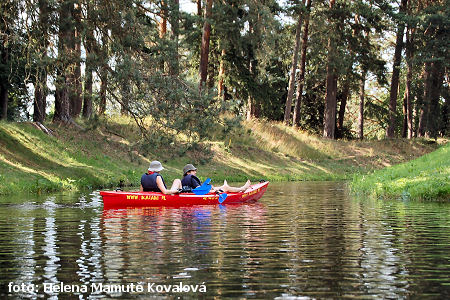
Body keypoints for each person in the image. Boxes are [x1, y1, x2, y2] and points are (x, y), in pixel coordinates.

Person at [181, 164, 251, 193]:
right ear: (188, 172)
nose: (195, 172)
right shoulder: (191, 177)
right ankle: (242, 188)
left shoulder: (184, 179)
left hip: (193, 193)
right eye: (194, 171)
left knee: (217, 187)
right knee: (226, 188)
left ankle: (224, 186)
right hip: (199, 194)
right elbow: (200, 189)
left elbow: (196, 188)